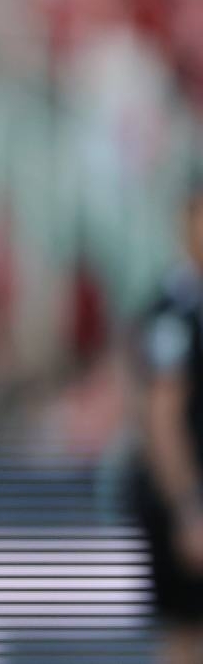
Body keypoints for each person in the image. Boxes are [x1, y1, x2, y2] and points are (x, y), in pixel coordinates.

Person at [133, 181, 203, 664]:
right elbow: (163, 415)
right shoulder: (175, 310)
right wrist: (187, 508)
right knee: (185, 633)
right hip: (186, 497)